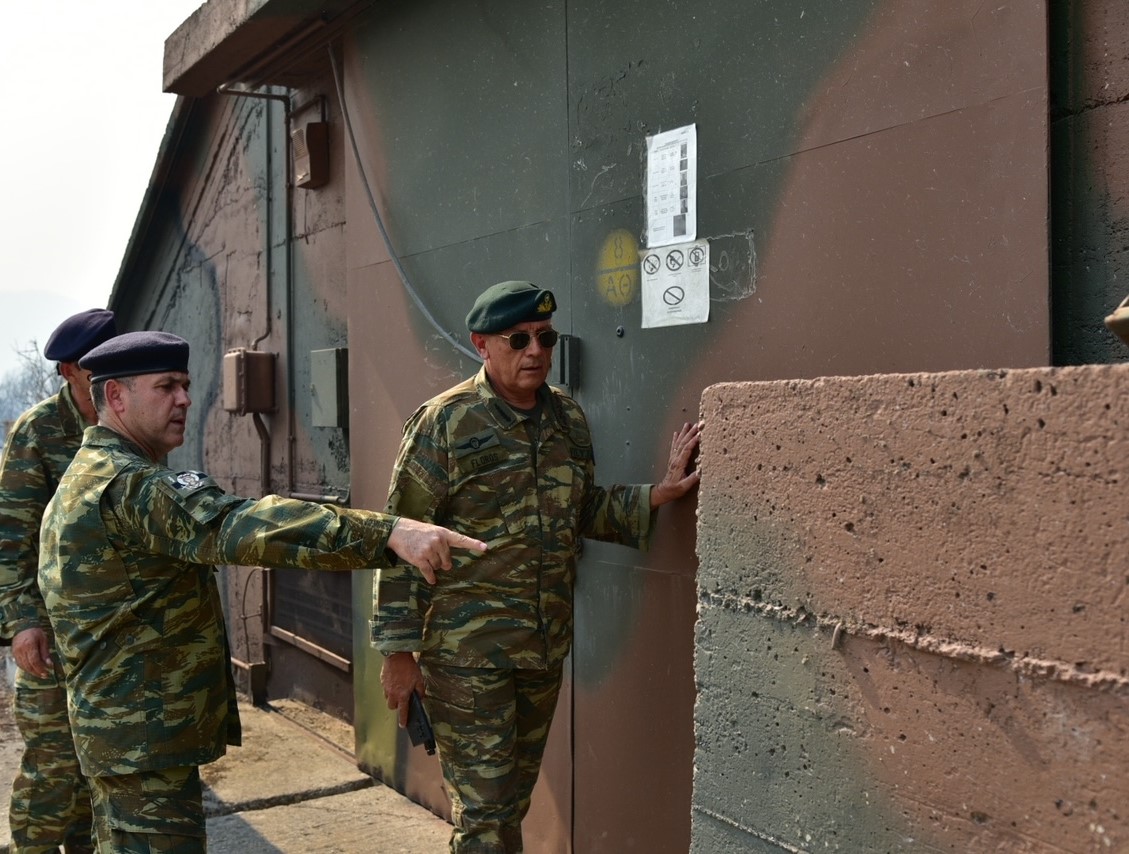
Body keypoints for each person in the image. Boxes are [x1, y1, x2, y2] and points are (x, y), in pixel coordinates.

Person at [36, 330, 486, 853]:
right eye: (166, 387)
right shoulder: (130, 487)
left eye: (185, 384)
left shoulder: (86, 476)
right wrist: (389, 534)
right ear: (116, 397)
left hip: (121, 737)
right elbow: (247, 525)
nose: (184, 398)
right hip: (141, 744)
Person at [373, 280, 702, 852]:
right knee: (486, 815)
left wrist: (660, 493)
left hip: (540, 651)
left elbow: (581, 510)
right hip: (466, 657)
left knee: (509, 805)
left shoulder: (568, 421)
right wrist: (399, 654)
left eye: (545, 339)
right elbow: (400, 538)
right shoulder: (445, 423)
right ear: (481, 344)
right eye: (518, 339)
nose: (535, 352)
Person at [0, 307, 119, 854]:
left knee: (101, 769)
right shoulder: (38, 432)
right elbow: (10, 540)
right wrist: (23, 623)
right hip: (50, 631)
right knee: (53, 766)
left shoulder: (129, 422)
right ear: (69, 371)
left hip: (110, 628)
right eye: (95, 368)